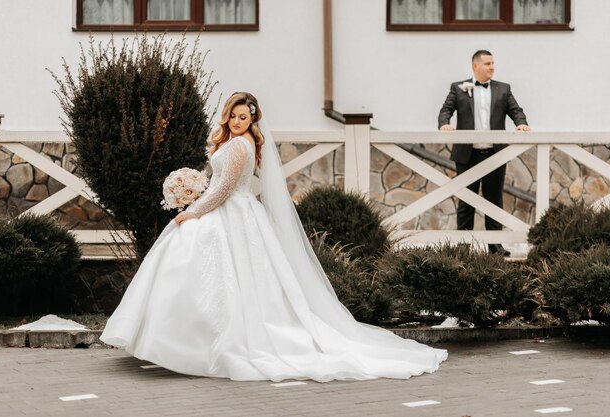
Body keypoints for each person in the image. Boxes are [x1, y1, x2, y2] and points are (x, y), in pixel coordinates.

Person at [101, 92, 447, 382]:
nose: (236, 121)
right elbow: (219, 185)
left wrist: (193, 210)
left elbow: (223, 188)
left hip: (232, 211)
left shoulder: (239, 146)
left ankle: (191, 342)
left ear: (252, 120)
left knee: (220, 273)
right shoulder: (241, 142)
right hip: (234, 211)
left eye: (243, 117)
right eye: (233, 116)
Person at [438, 50, 530, 257]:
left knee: (494, 200)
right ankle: (463, 246)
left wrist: (521, 123)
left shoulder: (503, 89)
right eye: (487, 63)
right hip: (467, 155)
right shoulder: (458, 88)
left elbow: (516, 110)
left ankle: (495, 246)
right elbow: (446, 110)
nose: (492, 67)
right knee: (465, 201)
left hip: (495, 154)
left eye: (493, 63)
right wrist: (444, 124)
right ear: (475, 67)